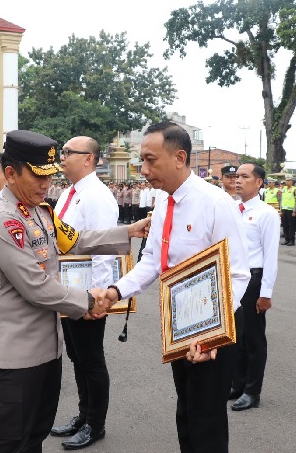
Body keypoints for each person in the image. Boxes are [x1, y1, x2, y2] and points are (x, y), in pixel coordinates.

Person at [0, 130, 148, 453]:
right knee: (10, 443)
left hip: (45, 351)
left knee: (34, 437)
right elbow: (36, 286)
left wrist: (128, 231)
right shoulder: (4, 222)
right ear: (11, 174)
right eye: (38, 177)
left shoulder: (40, 212)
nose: (45, 185)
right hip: (15, 357)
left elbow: (75, 241)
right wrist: (90, 302)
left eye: (49, 177)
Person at [97, 121, 251, 453]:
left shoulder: (214, 203)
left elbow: (238, 275)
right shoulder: (165, 203)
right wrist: (115, 291)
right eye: (142, 160)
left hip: (211, 333)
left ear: (179, 157)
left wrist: (212, 336)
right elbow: (152, 260)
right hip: (178, 326)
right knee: (186, 413)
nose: (144, 168)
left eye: (151, 160)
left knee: (206, 421)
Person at [50, 136, 119, 450]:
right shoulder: (69, 193)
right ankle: (83, 415)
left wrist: (99, 295)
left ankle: (95, 424)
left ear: (89, 158)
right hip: (68, 289)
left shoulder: (98, 196)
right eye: (62, 152)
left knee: (91, 358)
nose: (62, 157)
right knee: (77, 355)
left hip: (89, 291)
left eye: (68, 152)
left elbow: (104, 247)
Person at [229, 163, 280, 412]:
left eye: (244, 177)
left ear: (259, 182)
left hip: (253, 279)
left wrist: (265, 293)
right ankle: (236, 385)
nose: (238, 180)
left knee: (253, 339)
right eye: (236, 176)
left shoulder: (266, 214)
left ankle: (252, 391)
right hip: (232, 279)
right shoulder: (231, 209)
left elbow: (271, 256)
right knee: (236, 336)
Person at [280, 175, 296, 246]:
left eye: (288, 181)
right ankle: (286, 239)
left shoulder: (295, 189)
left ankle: (291, 240)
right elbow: (281, 199)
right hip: (284, 209)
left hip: (291, 210)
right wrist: (281, 209)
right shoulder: (283, 189)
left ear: (292, 181)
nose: (287, 182)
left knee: (291, 226)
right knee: (285, 225)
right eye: (286, 180)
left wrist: (294, 211)